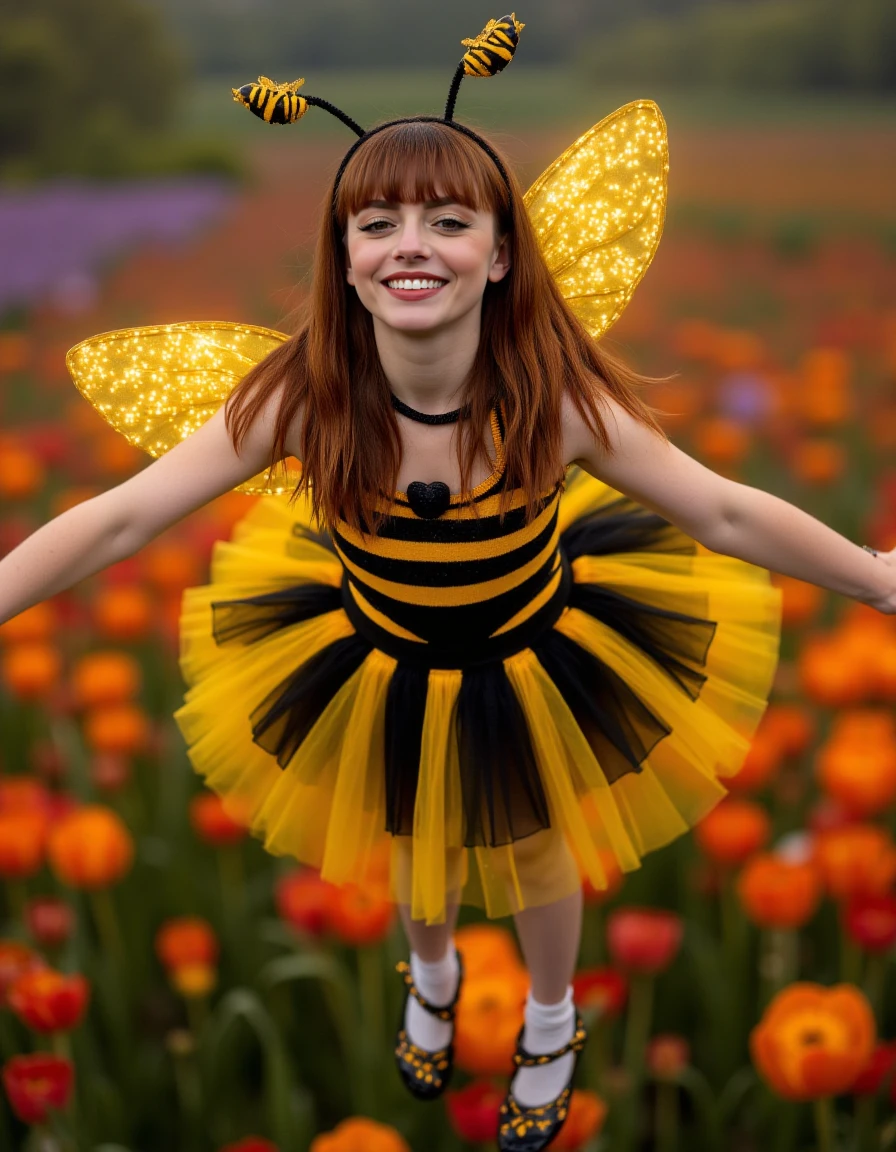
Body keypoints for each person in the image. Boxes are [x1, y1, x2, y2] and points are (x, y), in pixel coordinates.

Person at [1, 17, 893, 1152]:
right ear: (342, 257)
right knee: (411, 848)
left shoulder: (552, 399)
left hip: (534, 651)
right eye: (375, 223)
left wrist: (871, 581)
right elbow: (122, 517)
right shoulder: (301, 399)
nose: (407, 244)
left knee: (531, 852)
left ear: (502, 251)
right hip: (377, 655)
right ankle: (430, 976)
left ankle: (552, 1017)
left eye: (446, 220)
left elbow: (716, 507)